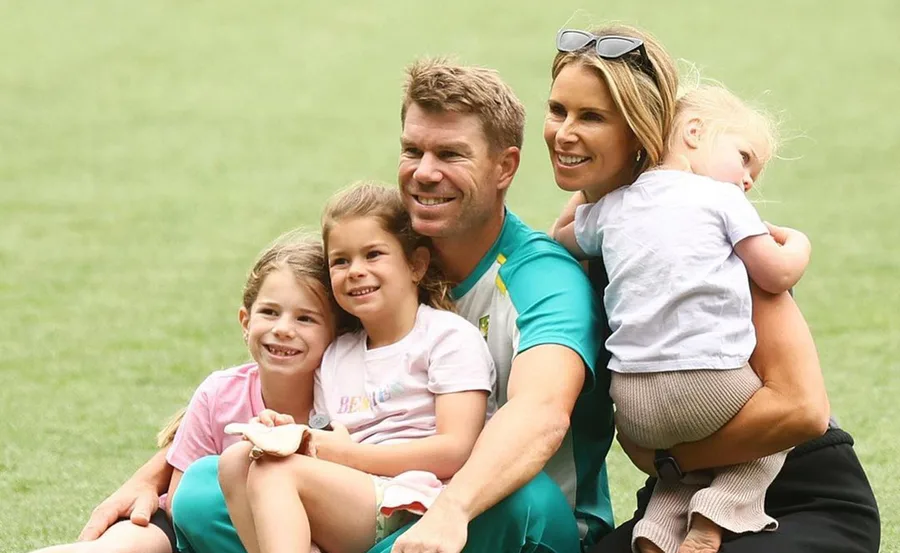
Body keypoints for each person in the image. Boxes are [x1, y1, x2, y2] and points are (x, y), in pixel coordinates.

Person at [83, 58, 614, 553]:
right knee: (204, 486)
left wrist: (449, 510)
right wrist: (156, 472)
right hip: (376, 502)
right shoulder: (374, 257)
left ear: (505, 167)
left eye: (451, 154)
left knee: (528, 503)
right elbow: (305, 365)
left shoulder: (541, 279)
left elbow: (538, 414)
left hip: (489, 517)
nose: (425, 172)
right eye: (413, 151)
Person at [543, 24, 880, 553]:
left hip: (801, 493)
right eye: (558, 110)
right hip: (682, 480)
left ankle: (699, 519)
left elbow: (803, 411)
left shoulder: (710, 232)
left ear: (639, 131)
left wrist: (669, 459)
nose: (564, 132)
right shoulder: (609, 226)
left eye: (591, 117)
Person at [555, 81, 812, 553]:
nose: (750, 179)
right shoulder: (721, 198)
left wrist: (608, 183)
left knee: (686, 463)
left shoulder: (612, 207)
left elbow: (562, 235)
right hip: (710, 385)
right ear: (693, 132)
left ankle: (657, 529)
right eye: (745, 157)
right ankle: (714, 518)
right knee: (765, 441)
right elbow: (775, 276)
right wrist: (798, 244)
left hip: (633, 405)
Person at [210, 182, 497, 553]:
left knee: (276, 474)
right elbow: (327, 438)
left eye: (373, 254)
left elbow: (456, 448)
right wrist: (287, 433)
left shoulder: (447, 337)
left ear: (416, 265)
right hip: (356, 492)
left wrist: (350, 456)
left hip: (422, 498)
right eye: (341, 261)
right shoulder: (338, 355)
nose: (356, 270)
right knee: (237, 461)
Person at [35, 231, 335, 553]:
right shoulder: (220, 393)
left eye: (305, 318)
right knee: (127, 542)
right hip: (199, 534)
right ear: (245, 321)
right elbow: (184, 503)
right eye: (269, 312)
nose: (283, 329)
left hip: (302, 538)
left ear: (339, 335)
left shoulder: (343, 401)